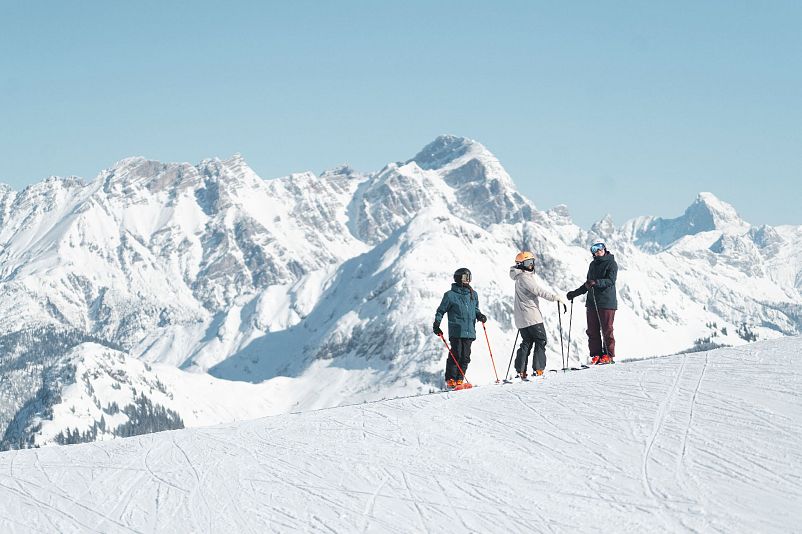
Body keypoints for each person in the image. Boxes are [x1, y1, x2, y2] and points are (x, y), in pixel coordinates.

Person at [509, 251, 570, 379]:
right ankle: (538, 369)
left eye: (532, 262)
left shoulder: (519, 277)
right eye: (527, 262)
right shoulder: (524, 277)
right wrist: (555, 297)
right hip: (531, 316)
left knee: (527, 342)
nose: (531, 265)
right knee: (540, 340)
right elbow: (538, 291)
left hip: (521, 318)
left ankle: (520, 371)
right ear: (520, 264)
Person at [433, 267, 487, 388]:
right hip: (456, 330)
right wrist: (436, 324)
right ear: (458, 278)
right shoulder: (450, 295)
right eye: (465, 277)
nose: (467, 280)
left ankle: (460, 379)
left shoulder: (473, 294)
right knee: (456, 354)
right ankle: (451, 379)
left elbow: (475, 309)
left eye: (469, 277)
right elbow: (441, 311)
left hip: (469, 331)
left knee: (466, 357)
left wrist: (480, 315)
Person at [566, 242, 618, 364]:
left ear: (604, 249)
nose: (598, 251)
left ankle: (608, 355)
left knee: (607, 330)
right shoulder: (593, 264)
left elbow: (610, 281)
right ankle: (596, 355)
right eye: (595, 250)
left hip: (606, 302)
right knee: (592, 330)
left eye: (600, 249)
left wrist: (596, 282)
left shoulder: (611, 263)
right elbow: (588, 283)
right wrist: (575, 293)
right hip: (592, 302)